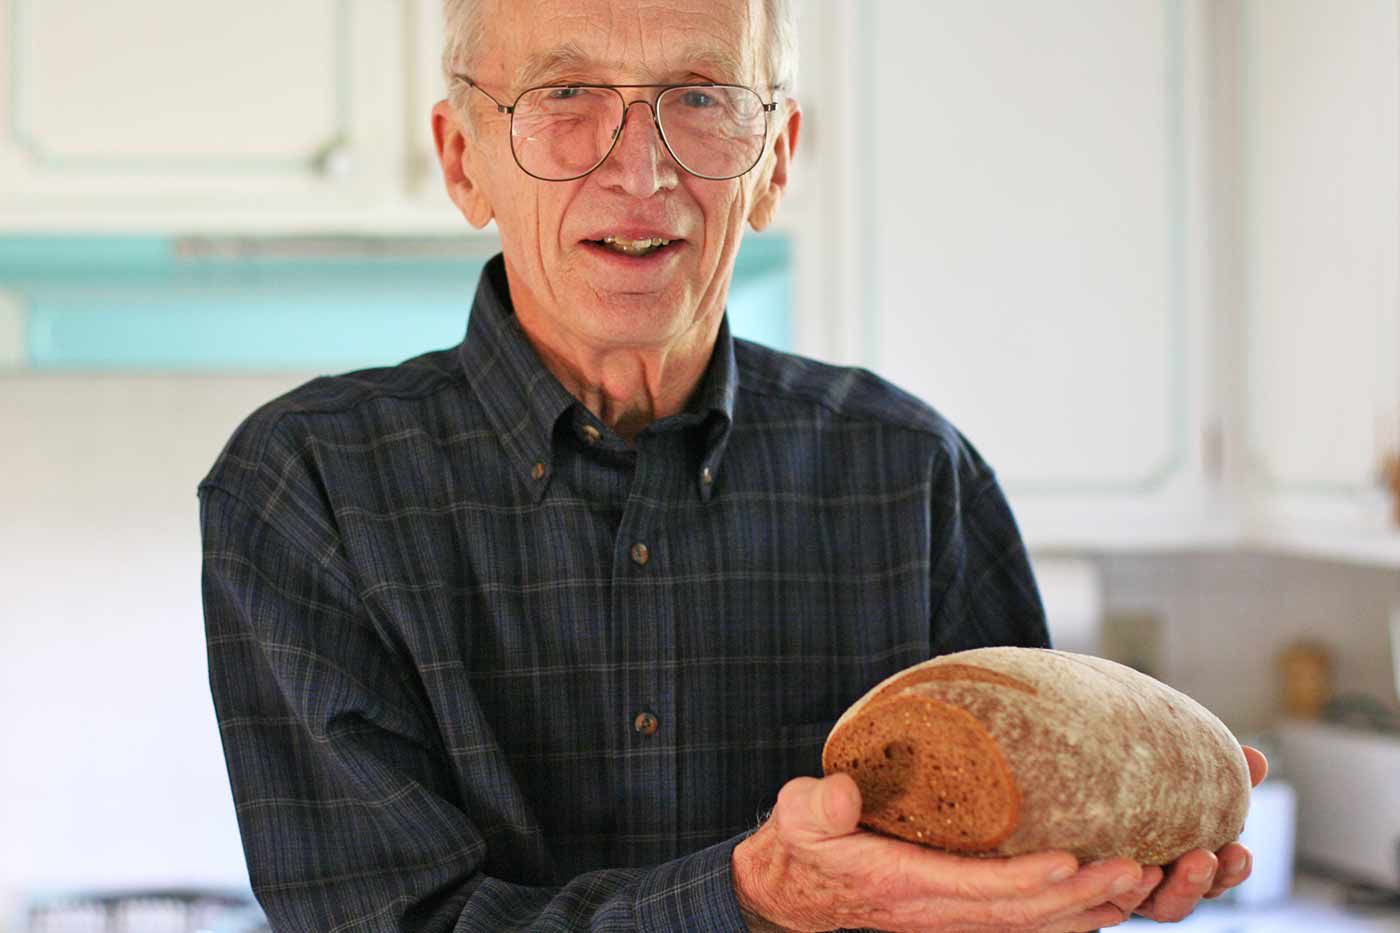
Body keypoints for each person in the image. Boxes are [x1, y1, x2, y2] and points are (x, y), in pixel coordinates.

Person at [198, 0, 1266, 929]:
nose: (639, 167)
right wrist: (761, 899)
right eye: (565, 94)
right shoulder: (306, 490)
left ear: (776, 160)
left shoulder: (913, 473)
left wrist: (1075, 888)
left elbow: (1007, 873)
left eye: (702, 97)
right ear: (462, 158)